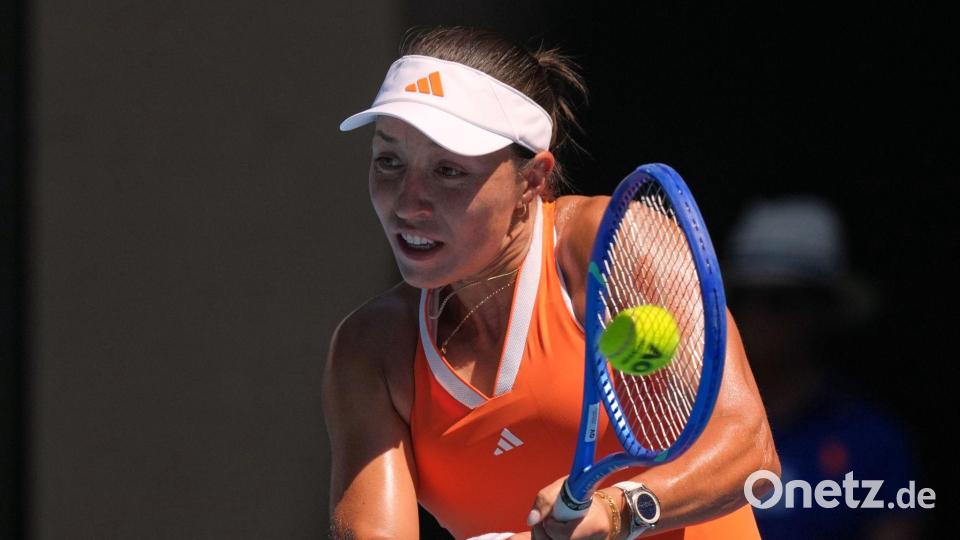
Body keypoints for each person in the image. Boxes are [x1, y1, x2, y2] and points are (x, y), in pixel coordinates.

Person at [324, 26, 779, 540]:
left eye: (449, 171)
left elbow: (750, 451)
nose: (408, 202)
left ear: (534, 179)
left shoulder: (612, 243)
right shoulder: (370, 350)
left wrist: (618, 511)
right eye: (389, 161)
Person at [725, 196, 922, 539]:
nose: (757, 317)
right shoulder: (694, 431)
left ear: (823, 311)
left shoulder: (873, 440)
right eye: (744, 296)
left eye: (779, 301)